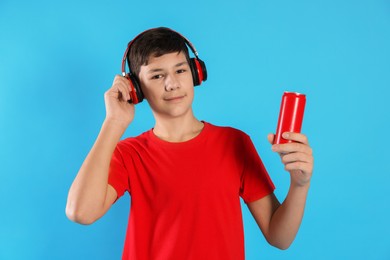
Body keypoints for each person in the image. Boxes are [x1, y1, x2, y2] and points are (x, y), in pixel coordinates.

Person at [66, 27, 314, 259]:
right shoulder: (130, 153)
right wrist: (114, 123)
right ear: (136, 89)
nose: (172, 83)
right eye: (157, 75)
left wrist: (299, 184)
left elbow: (279, 236)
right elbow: (81, 212)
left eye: (181, 70)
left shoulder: (234, 142)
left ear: (196, 73)